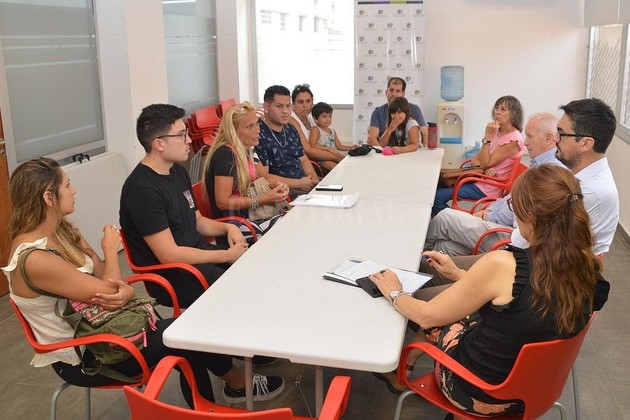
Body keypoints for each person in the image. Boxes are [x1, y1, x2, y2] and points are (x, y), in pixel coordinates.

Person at [2, 157, 285, 406]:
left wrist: (119, 288)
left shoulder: (61, 231)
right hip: (91, 355)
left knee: (186, 335)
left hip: (106, 328)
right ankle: (226, 392)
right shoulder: (35, 258)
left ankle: (222, 395)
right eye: (67, 185)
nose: (73, 190)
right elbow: (111, 288)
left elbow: (105, 282)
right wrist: (110, 251)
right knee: (185, 338)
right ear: (48, 198)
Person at [370, 163, 608, 417]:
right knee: (458, 310)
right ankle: (405, 368)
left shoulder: (504, 265)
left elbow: (426, 316)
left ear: (530, 217)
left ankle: (401, 370)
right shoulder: (588, 267)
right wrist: (459, 275)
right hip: (536, 388)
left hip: (479, 391)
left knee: (438, 316)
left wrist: (394, 291)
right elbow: (522, 301)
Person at [423, 98, 620, 287]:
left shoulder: (587, 191)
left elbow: (532, 237)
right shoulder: (579, 178)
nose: (556, 140)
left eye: (561, 134)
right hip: (527, 253)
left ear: (585, 143)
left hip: (532, 269)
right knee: (444, 248)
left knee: (443, 226)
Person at [119, 104, 248, 309]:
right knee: (241, 287)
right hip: (176, 275)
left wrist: (228, 227)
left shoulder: (177, 171)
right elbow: (169, 254)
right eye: (181, 135)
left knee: (253, 266)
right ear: (159, 144)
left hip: (198, 258)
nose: (189, 140)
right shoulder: (142, 190)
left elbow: (197, 221)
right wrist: (225, 256)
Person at [424, 112, 563, 256]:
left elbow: (520, 215)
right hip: (499, 220)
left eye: (530, 136)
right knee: (445, 246)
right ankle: (424, 261)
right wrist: (490, 210)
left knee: (444, 218)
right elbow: (512, 196)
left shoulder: (550, 171)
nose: (526, 142)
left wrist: (490, 216)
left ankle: (416, 259)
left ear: (549, 138)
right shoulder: (539, 162)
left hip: (510, 236)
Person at [201, 101, 289, 242]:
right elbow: (223, 202)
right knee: (287, 227)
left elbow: (259, 179)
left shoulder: (247, 148)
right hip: (234, 225)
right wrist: (263, 199)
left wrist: (276, 184)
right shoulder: (225, 155)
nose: (257, 130)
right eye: (250, 127)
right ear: (234, 132)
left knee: (292, 221)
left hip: (251, 215)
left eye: (257, 124)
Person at [432, 95, 525, 215]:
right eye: (496, 108)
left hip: (488, 187)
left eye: (503, 109)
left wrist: (487, 138)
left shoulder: (514, 139)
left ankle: (453, 223)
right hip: (479, 177)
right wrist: (485, 167)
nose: (497, 112)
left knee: (438, 197)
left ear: (514, 114)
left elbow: (485, 162)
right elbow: (476, 159)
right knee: (437, 184)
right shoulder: (497, 131)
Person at [256, 85, 320, 199]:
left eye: (288, 106)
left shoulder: (290, 128)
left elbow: (303, 159)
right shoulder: (257, 133)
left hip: (305, 185)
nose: (285, 111)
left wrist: (315, 182)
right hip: (283, 192)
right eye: (279, 106)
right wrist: (299, 184)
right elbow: (263, 177)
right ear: (266, 106)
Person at [289, 84, 341, 171]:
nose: (305, 105)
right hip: (305, 164)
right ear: (293, 103)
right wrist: (338, 157)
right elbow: (308, 151)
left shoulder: (311, 120)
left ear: (312, 103)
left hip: (320, 158)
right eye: (300, 102)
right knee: (340, 169)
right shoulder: (291, 120)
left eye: (308, 101)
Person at [367, 77, 428, 147]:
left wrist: (425, 148)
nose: (394, 94)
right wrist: (382, 151)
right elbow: (371, 138)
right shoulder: (378, 112)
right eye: (391, 90)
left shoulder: (415, 109)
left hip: (410, 151)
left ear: (403, 94)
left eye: (398, 91)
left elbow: (425, 133)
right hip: (386, 150)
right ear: (386, 92)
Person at [308, 102, 358, 171]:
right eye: (324, 116)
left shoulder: (332, 131)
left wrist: (351, 147)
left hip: (335, 156)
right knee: (337, 169)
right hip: (323, 159)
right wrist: (328, 149)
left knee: (348, 164)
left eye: (330, 116)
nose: (328, 119)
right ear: (315, 119)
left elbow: (339, 146)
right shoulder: (315, 129)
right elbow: (313, 145)